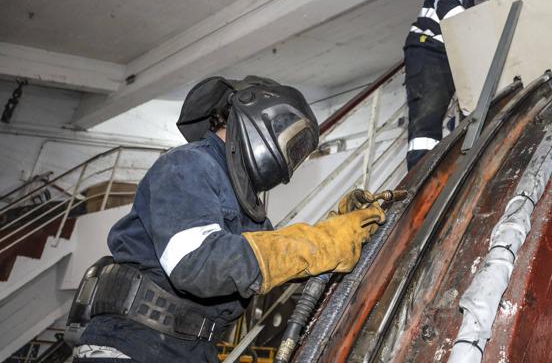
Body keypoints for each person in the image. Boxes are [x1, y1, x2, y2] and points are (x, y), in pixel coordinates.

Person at [67, 76, 385, 362]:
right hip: (132, 348)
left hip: (191, 352)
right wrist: (315, 243)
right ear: (256, 115)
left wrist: (339, 231)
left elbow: (277, 265)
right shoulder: (188, 165)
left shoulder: (249, 211)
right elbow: (197, 263)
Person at [403, 0, 523, 169]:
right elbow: (452, 15)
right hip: (431, 51)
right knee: (427, 124)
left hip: (460, 58)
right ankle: (417, 186)